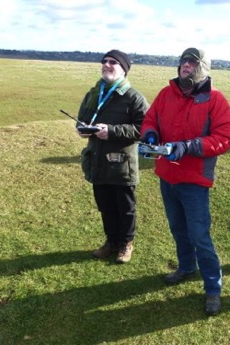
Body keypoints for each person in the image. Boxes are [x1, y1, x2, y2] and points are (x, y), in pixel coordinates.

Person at [140, 47, 230, 315]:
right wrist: (150, 135)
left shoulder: (216, 100)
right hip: (167, 176)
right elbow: (150, 119)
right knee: (178, 228)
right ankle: (186, 267)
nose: (186, 66)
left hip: (194, 180)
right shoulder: (166, 93)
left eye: (192, 62)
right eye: (183, 61)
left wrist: (189, 146)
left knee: (200, 235)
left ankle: (213, 288)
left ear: (203, 67)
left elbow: (225, 138)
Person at [77, 49, 149, 264]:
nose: (106, 65)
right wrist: (82, 128)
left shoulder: (133, 97)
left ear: (124, 70)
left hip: (122, 164)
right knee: (105, 205)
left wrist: (113, 131)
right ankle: (112, 242)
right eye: (105, 61)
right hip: (97, 160)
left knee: (125, 209)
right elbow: (82, 119)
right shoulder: (93, 93)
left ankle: (126, 244)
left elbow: (144, 128)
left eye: (113, 62)